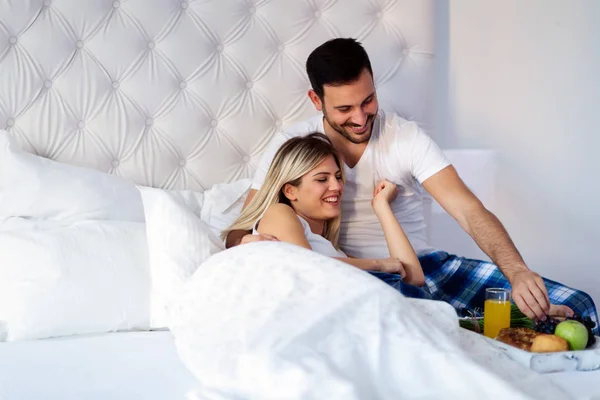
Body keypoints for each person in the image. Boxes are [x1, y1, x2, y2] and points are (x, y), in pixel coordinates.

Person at [226, 38, 597, 330]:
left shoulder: (405, 138)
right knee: (417, 325)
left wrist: (516, 272)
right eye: (344, 109)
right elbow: (244, 225)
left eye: (368, 100)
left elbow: (468, 211)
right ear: (316, 100)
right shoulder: (294, 146)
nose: (360, 117)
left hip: (423, 266)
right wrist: (251, 244)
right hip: (357, 278)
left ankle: (491, 322)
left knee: (579, 307)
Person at [222, 133, 425, 286]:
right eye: (322, 179)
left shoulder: (334, 253)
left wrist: (382, 207)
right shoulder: (279, 212)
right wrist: (378, 264)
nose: (337, 187)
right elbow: (309, 268)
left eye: (337, 177)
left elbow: (414, 278)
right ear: (290, 191)